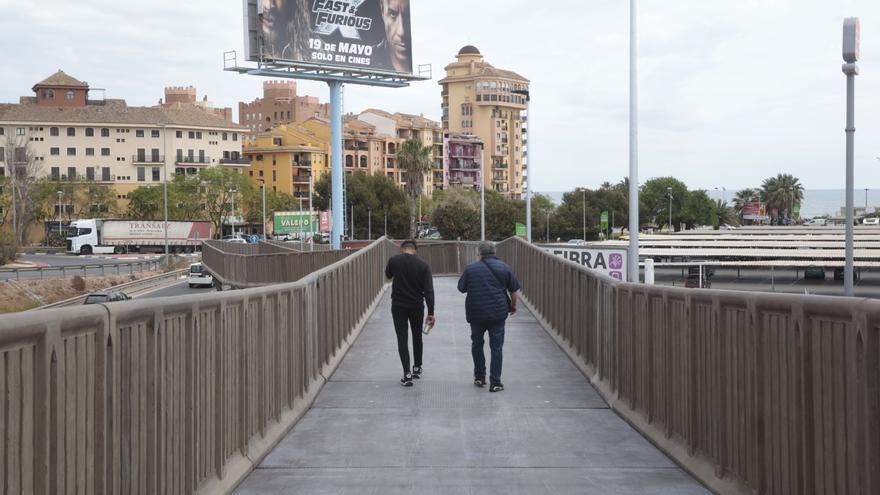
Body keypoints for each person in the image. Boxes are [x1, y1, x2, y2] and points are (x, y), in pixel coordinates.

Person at [457, 241, 520, 392]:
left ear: (479, 253)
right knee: (496, 348)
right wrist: (513, 305)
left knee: (477, 344)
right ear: (494, 252)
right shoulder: (504, 267)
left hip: (476, 312)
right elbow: (514, 289)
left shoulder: (470, 268)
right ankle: (496, 382)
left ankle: (479, 377)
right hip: (498, 313)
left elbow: (461, 288)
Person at [384, 239, 435, 386]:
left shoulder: (394, 260)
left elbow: (388, 275)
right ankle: (417, 367)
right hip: (417, 306)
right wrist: (431, 312)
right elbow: (429, 291)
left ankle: (407, 374)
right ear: (415, 250)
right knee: (417, 336)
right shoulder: (424, 265)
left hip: (398, 305)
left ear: (402, 249)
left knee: (402, 338)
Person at [377, 0, 412, 73]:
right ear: (382, 10)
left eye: (407, 16)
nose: (401, 31)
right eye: (392, 14)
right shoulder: (371, 57)